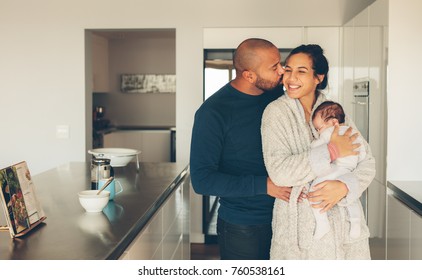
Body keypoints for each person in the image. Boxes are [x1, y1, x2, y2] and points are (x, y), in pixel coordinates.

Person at [190, 39, 357, 260]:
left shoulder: (281, 96)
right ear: (249, 75)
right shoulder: (213, 113)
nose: (283, 73)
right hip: (245, 225)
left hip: (292, 218)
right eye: (274, 67)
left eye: (281, 64)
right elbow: (202, 180)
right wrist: (264, 185)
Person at [261, 44, 376, 259]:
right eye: (288, 69)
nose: (291, 78)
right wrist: (331, 151)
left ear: (318, 77)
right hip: (300, 230)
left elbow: (367, 162)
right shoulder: (275, 113)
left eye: (301, 71)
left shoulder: (334, 110)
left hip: (344, 228)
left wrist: (344, 186)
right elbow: (279, 173)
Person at [310, 101, 366, 240]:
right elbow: (364, 154)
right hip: (350, 172)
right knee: (351, 197)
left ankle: (322, 223)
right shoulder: (353, 132)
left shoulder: (331, 132)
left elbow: (318, 147)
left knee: (314, 190)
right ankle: (356, 223)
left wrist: (313, 144)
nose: (318, 132)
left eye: (319, 128)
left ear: (334, 122)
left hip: (336, 168)